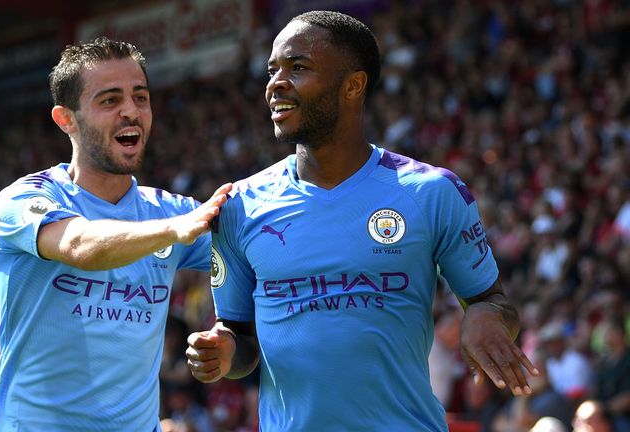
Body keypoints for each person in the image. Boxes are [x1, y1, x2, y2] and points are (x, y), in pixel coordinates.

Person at [185, 10, 537, 430]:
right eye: (272, 70)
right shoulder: (239, 205)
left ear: (353, 85)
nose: (276, 84)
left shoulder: (430, 192)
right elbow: (240, 339)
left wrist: (485, 314)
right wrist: (222, 351)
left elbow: (492, 302)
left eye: (298, 68)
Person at [0, 37, 231, 431]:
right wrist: (173, 230)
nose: (131, 112)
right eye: (109, 100)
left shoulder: (170, 210)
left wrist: (234, 337)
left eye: (141, 97)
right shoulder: (25, 199)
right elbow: (79, 245)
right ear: (66, 119)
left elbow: (261, 257)